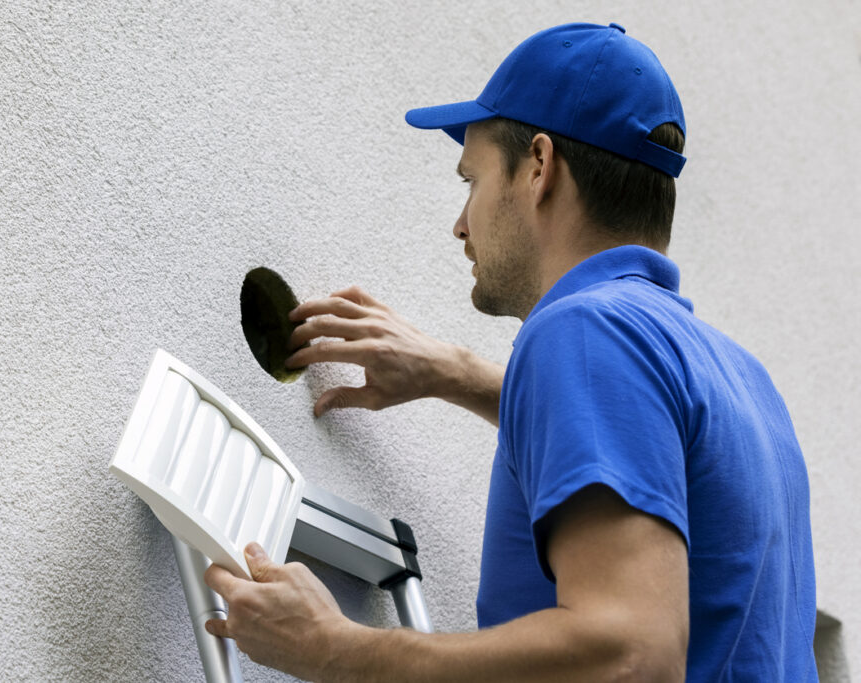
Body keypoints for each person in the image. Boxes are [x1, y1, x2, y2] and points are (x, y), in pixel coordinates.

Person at [203, 21, 818, 681]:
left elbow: (632, 654)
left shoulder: (584, 333)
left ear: (539, 168)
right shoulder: (744, 382)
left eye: (472, 179)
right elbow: (651, 439)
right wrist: (462, 375)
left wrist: (335, 650)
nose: (461, 222)